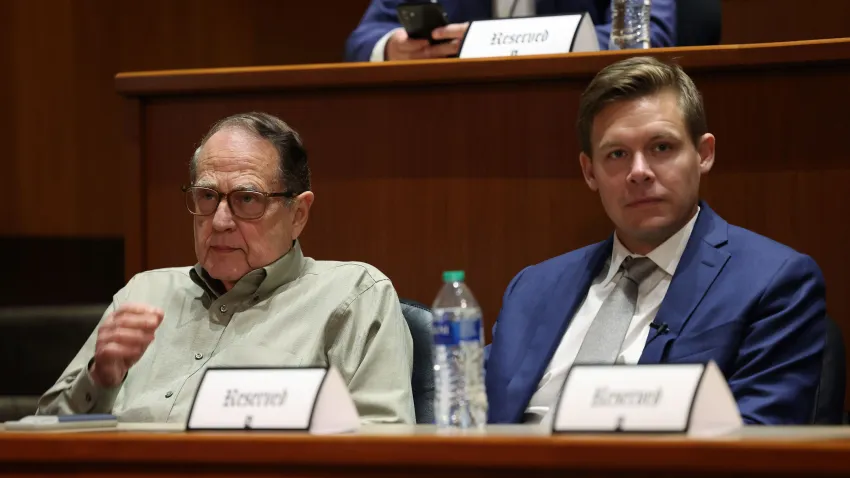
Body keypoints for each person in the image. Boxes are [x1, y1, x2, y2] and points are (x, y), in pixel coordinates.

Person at [485, 56, 827, 425]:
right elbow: (473, 420)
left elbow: (756, 442)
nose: (639, 172)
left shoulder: (773, 282)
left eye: (661, 147)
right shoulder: (532, 288)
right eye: (617, 154)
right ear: (589, 171)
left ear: (704, 154)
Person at [37, 112, 415, 424]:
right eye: (206, 196)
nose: (219, 221)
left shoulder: (354, 295)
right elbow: (41, 435)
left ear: (298, 214)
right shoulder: (143, 293)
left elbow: (384, 445)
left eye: (246, 199)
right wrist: (99, 379)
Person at [345, 0, 676, 62]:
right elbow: (362, 41)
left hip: (587, 102)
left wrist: (534, 42)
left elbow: (650, 33)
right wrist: (393, 46)